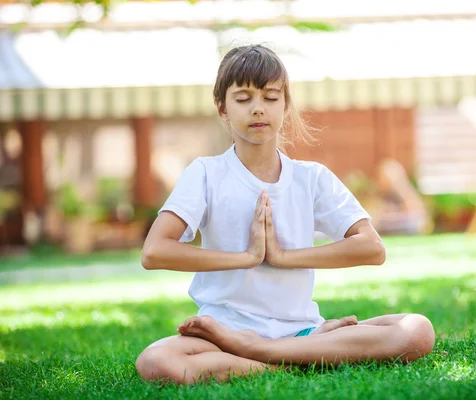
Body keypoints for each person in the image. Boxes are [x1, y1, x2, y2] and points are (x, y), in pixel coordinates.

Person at [135, 44, 435, 385]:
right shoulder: (205, 173)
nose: (258, 109)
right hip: (224, 333)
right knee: (157, 361)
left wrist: (281, 256)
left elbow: (372, 248)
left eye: (270, 97)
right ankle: (298, 358)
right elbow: (154, 251)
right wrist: (247, 257)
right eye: (243, 98)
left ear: (285, 105)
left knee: (417, 330)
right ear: (223, 108)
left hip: (301, 330)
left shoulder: (312, 177)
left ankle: (266, 354)